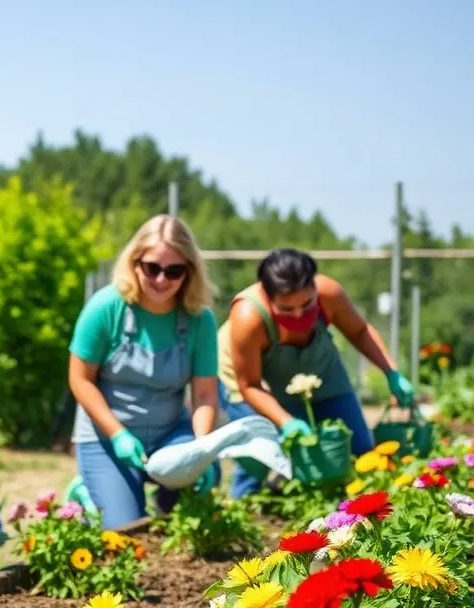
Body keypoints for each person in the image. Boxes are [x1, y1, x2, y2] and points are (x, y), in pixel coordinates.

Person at [218, 247, 414, 498]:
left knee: (359, 449)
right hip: (249, 378)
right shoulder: (248, 317)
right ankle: (245, 502)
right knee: (262, 453)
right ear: (267, 297)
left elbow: (359, 331)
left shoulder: (328, 294)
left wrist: (391, 372)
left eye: (306, 304)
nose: (299, 314)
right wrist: (286, 421)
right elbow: (250, 385)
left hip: (322, 370)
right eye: (287, 309)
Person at [68, 214, 220, 529]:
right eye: (152, 268)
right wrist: (118, 434)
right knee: (127, 531)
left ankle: (167, 497)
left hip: (169, 433)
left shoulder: (198, 320)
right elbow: (80, 380)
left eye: (174, 271)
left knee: (196, 502)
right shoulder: (105, 308)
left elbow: (204, 394)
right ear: (135, 264)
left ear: (189, 272)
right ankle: (88, 494)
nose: (161, 280)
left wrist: (201, 451)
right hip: (108, 435)